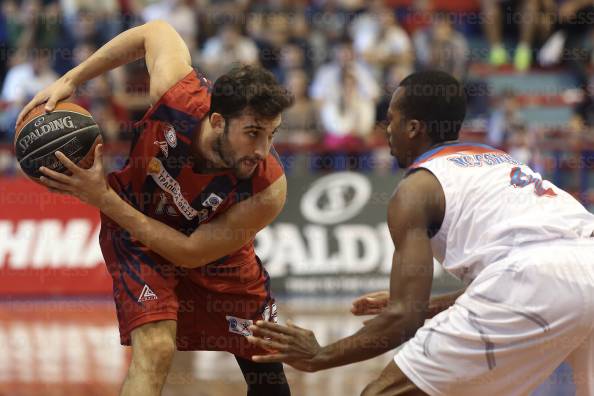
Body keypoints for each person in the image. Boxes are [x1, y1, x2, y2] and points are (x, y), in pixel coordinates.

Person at [247, 70, 594, 395]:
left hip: (532, 281)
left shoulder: (415, 189)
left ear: (413, 128)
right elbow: (530, 270)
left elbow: (403, 318)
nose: (386, 129)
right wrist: (426, 305)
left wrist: (319, 355)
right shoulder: (499, 160)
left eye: (392, 119)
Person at [18, 20, 293, 396]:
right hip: (136, 231)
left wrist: (102, 198)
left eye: (271, 135)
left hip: (216, 256)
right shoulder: (177, 98)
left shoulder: (269, 188)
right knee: (156, 347)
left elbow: (191, 252)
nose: (263, 150)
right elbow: (155, 31)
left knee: (269, 374)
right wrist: (71, 79)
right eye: (252, 133)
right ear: (217, 121)